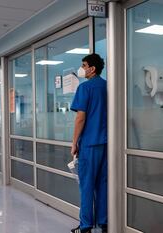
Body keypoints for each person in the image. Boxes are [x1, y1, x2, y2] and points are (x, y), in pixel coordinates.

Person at [70, 53, 107, 233]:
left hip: (89, 145)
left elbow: (80, 118)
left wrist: (74, 142)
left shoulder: (85, 88)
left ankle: (85, 226)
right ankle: (104, 222)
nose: (82, 69)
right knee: (102, 184)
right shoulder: (108, 86)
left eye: (84, 65)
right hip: (107, 144)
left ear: (92, 69)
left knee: (86, 185)